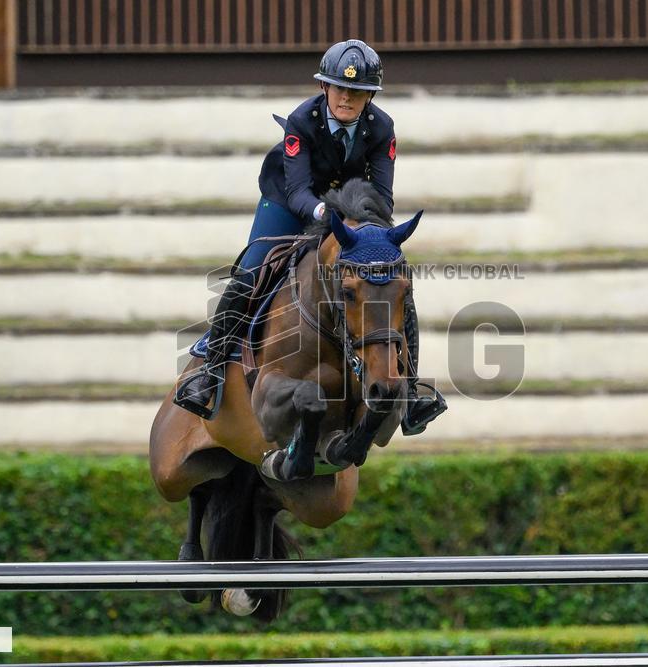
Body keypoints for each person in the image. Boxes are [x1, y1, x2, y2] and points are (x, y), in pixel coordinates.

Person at [175, 39, 446, 436]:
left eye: (357, 92)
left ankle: (411, 394)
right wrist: (326, 215)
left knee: (393, 277)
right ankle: (210, 372)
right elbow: (299, 191)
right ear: (324, 87)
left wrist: (363, 229)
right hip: (290, 201)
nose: (346, 98)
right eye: (339, 88)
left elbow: (383, 198)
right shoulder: (302, 121)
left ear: (370, 96)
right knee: (251, 271)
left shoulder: (382, 128)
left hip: (350, 210)